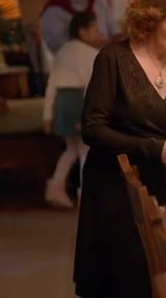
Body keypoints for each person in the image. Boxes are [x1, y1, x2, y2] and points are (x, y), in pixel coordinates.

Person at [74, 0, 166, 298]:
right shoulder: (113, 59)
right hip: (117, 188)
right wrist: (154, 148)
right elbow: (93, 129)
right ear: (151, 18)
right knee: (127, 284)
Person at [42, 12, 100, 208]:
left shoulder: (62, 52)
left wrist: (48, 115)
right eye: (94, 29)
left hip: (62, 105)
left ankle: (55, 187)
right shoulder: (89, 54)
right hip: (79, 104)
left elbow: (51, 85)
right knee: (86, 151)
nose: (98, 33)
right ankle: (86, 196)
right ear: (83, 31)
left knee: (71, 149)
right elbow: (91, 86)